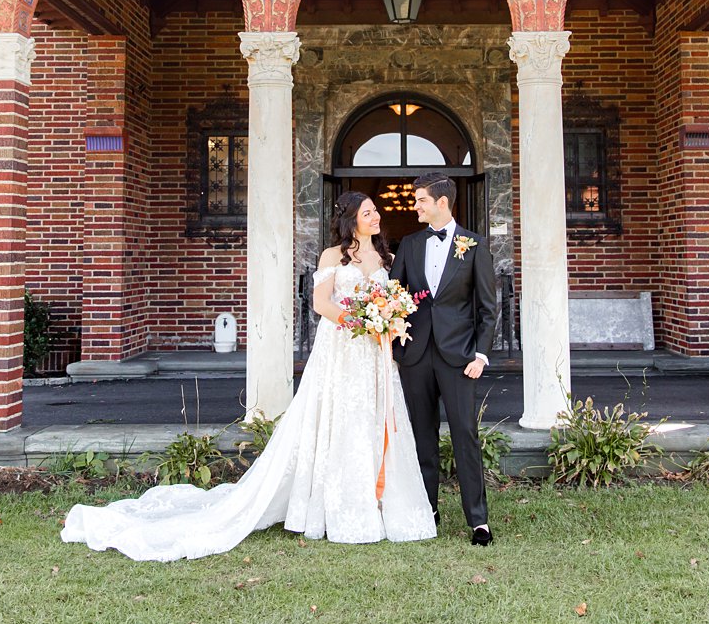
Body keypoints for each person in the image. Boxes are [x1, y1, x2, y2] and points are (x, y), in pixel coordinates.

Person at [59, 192, 436, 561]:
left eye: (375, 212)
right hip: (342, 348)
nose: (376, 216)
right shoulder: (333, 255)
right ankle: (336, 506)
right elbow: (322, 304)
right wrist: (362, 322)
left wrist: (385, 321)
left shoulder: (385, 256)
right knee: (342, 420)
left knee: (372, 418)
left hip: (374, 354)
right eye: (368, 211)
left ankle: (381, 499)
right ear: (351, 217)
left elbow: (391, 298)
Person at [387, 172, 500, 547]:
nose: (414, 205)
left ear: (441, 202)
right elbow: (394, 296)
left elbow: (487, 308)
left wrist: (481, 354)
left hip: (459, 358)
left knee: (465, 434)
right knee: (422, 436)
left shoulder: (475, 245)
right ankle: (427, 509)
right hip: (416, 355)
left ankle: (478, 521)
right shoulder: (409, 244)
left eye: (420, 199)